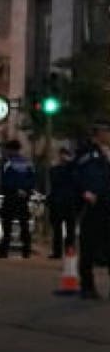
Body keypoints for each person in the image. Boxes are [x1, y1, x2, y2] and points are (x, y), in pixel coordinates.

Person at [76, 120, 110, 299]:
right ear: (98, 134)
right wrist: (87, 192)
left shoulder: (106, 154)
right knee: (88, 246)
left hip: (106, 204)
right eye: (106, 132)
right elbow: (81, 175)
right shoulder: (89, 153)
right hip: (94, 204)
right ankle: (87, 286)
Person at [0, 139, 36, 258]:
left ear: (10, 149)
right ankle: (26, 251)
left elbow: (5, 181)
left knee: (7, 225)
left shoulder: (7, 163)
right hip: (23, 197)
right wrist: (26, 191)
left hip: (11, 197)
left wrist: (15, 190)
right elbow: (32, 179)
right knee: (24, 224)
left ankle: (4, 251)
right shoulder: (27, 163)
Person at [47, 147, 78, 260]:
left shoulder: (73, 169)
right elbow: (54, 181)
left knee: (70, 229)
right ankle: (57, 251)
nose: (62, 158)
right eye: (61, 155)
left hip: (69, 202)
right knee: (57, 229)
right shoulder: (55, 169)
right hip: (58, 202)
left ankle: (68, 251)